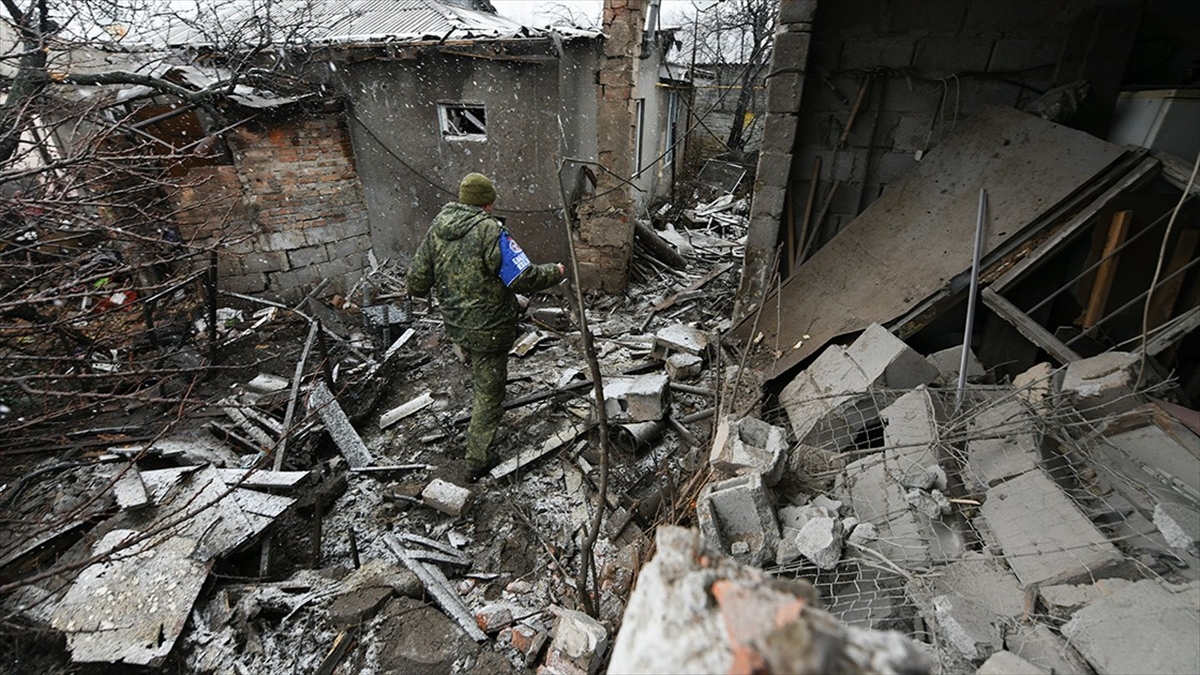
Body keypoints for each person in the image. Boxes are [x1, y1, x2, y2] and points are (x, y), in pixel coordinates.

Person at [408, 172, 566, 482]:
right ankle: (477, 459)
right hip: (489, 327)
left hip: (456, 324)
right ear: (488, 204)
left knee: (481, 379)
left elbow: (416, 282)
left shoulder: (438, 228)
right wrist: (555, 271)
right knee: (489, 393)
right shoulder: (491, 231)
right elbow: (522, 277)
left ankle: (479, 427)